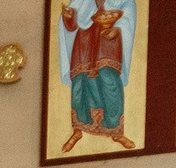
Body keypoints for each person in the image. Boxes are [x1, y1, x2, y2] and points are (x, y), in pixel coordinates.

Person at [57, 2, 137, 153]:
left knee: (110, 82)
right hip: (84, 42)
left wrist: (117, 28)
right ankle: (78, 129)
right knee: (80, 84)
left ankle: (115, 131)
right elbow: (73, 20)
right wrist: (69, 17)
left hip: (108, 42)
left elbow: (128, 10)